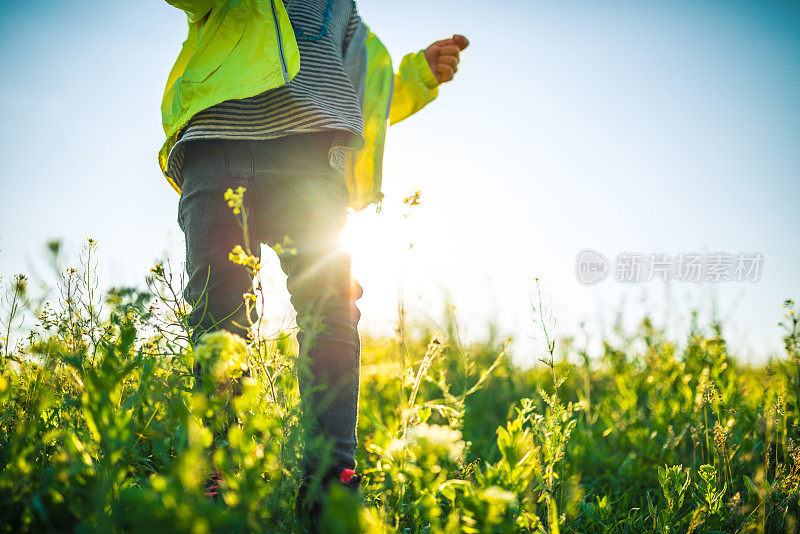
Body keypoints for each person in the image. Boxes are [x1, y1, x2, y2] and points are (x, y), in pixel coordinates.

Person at [158, 0, 468, 513]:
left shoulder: (341, 10)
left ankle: (333, 480)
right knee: (219, 315)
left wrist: (419, 72)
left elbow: (366, 85)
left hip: (313, 159)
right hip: (218, 144)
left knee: (331, 308)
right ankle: (216, 472)